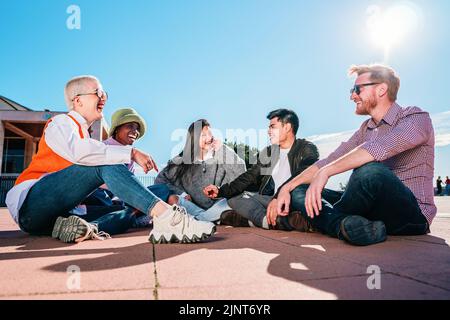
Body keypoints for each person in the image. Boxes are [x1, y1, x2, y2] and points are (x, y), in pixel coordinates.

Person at [5, 75, 215, 244]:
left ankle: (83, 229)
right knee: (105, 163)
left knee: (126, 212)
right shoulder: (60, 123)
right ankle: (168, 218)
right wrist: (131, 153)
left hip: (56, 215)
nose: (103, 98)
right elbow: (80, 152)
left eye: (105, 93)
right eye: (98, 92)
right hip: (32, 204)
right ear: (78, 100)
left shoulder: (85, 134)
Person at [275, 64, 436, 246]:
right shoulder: (364, 129)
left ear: (381, 89)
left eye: (357, 89)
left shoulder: (415, 117)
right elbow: (328, 161)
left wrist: (325, 172)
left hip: (411, 215)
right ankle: (344, 225)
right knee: (300, 190)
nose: (352, 96)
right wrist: (286, 189)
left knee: (370, 170)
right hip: (370, 212)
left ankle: (322, 221)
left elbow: (378, 148)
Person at [203, 109, 319, 230]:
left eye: (272, 127)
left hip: (294, 200)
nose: (268, 131)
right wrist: (221, 191)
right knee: (233, 198)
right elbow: (249, 176)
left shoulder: (307, 149)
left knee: (298, 197)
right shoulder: (269, 152)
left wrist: (278, 196)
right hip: (271, 201)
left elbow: (303, 173)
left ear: (287, 127)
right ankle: (268, 221)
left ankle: (255, 221)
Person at [155, 119, 246, 222]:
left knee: (235, 201)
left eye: (210, 134)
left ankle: (202, 220)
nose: (209, 138)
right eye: (203, 135)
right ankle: (211, 219)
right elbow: (160, 182)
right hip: (193, 209)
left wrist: (223, 151)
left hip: (220, 206)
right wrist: (181, 193)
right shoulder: (181, 162)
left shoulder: (221, 155)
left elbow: (241, 174)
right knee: (173, 199)